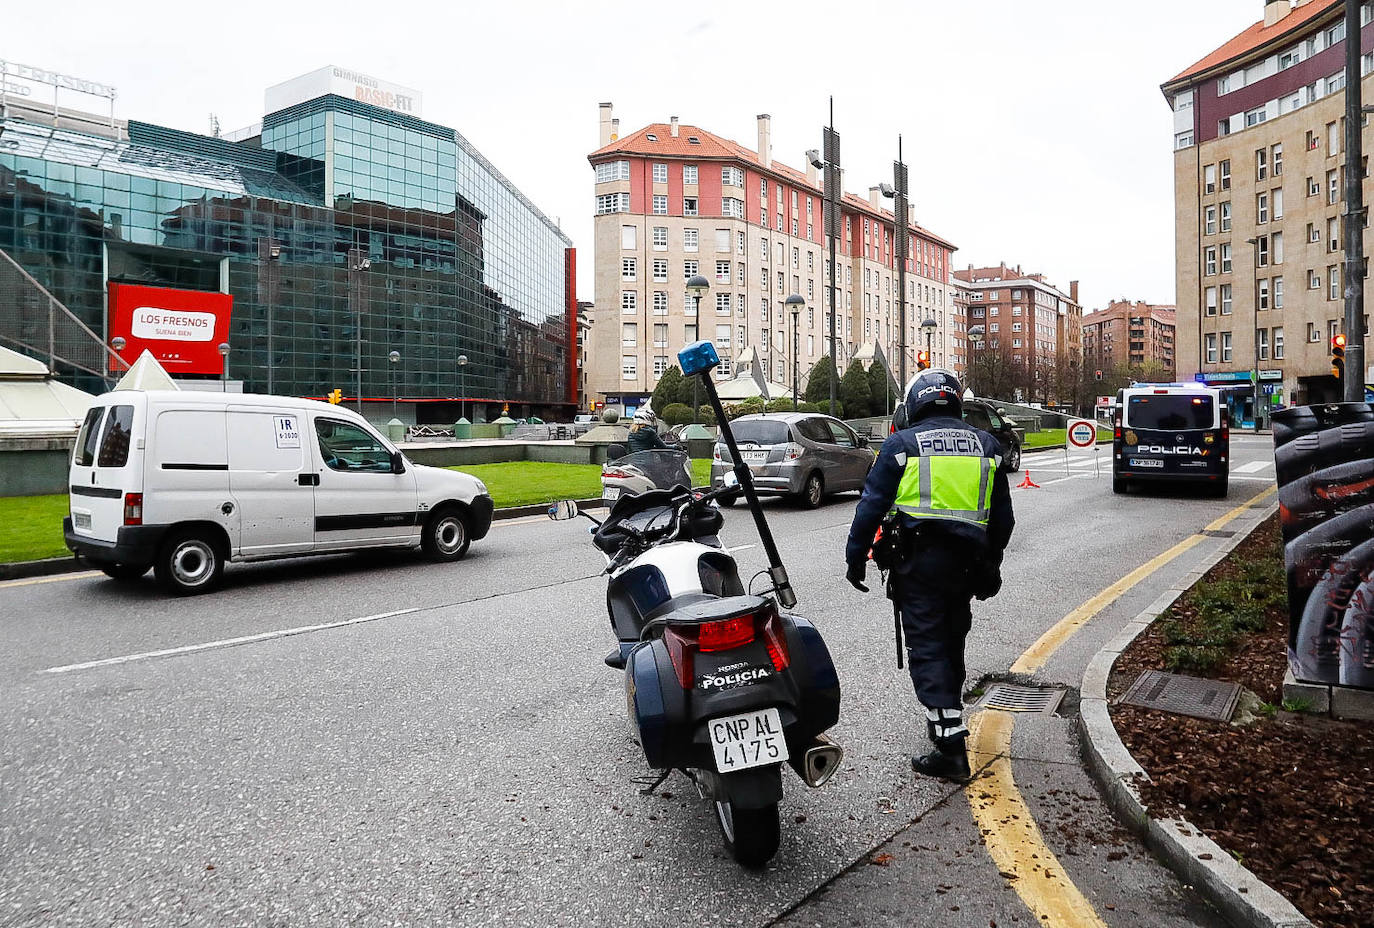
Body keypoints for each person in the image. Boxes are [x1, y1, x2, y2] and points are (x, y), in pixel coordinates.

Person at [845, 369, 1015, 782]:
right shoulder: (987, 446)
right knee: (952, 638)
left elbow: (870, 507)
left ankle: (951, 746)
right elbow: (1003, 521)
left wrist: (855, 559)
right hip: (966, 566)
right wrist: (992, 564)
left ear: (914, 404)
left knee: (927, 645)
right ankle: (947, 717)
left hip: (918, 564)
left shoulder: (901, 445)